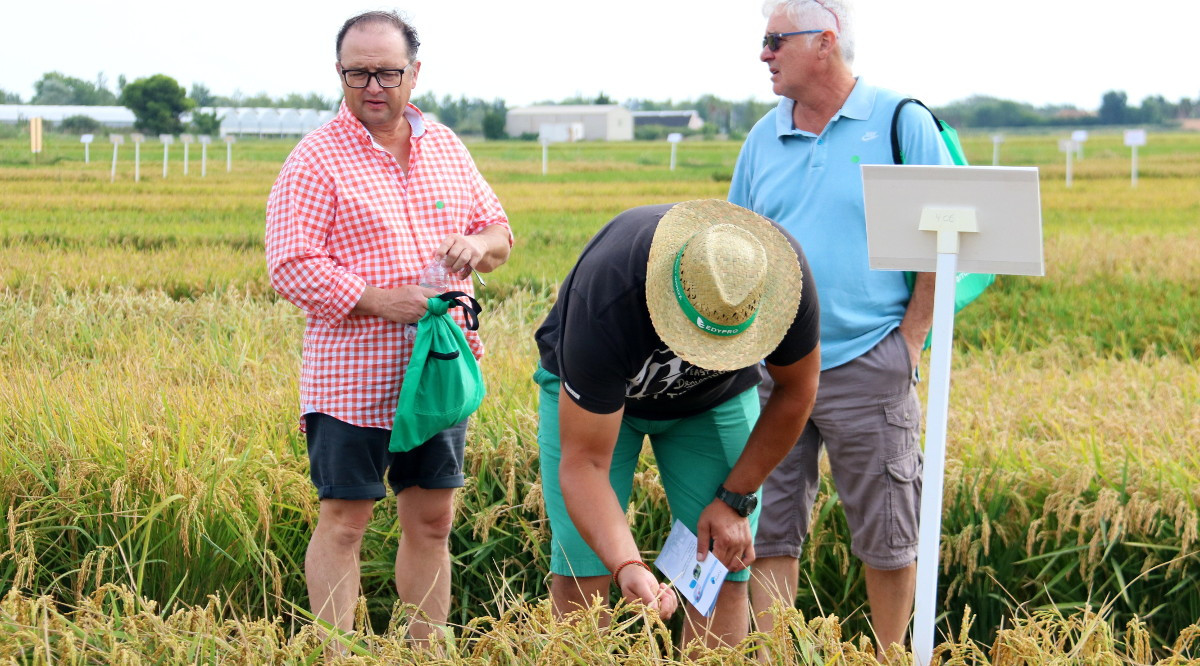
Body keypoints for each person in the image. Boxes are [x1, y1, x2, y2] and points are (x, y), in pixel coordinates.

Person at [264, 10, 512, 646]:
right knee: (345, 521)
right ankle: (336, 653)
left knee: (432, 519)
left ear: (416, 73)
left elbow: (500, 234)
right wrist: (378, 300)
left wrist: (473, 244)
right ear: (340, 74)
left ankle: (426, 649)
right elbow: (290, 266)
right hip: (352, 378)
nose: (373, 86)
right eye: (358, 73)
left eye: (387, 72)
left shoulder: (447, 147)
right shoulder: (315, 160)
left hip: (435, 370)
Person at [727, 0, 953, 655]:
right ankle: (774, 652)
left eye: (775, 41)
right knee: (768, 530)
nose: (763, 53)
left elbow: (944, 239)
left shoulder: (899, 122)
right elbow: (737, 246)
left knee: (888, 531)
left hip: (866, 361)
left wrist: (908, 342)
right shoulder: (761, 139)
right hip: (773, 369)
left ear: (824, 42)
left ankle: (888, 653)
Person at [534, 199, 821, 649]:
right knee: (583, 575)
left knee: (721, 568)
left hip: (711, 404)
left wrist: (735, 498)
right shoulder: (609, 292)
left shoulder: (782, 279)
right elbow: (584, 464)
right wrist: (627, 564)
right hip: (598, 406)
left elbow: (797, 390)